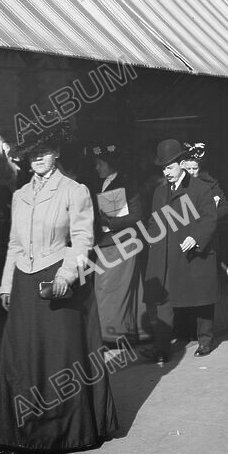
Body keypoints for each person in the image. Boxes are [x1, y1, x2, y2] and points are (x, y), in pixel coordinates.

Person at [0, 120, 117, 454]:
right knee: (20, 358)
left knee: (57, 357)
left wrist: (67, 272)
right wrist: (6, 284)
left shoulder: (74, 190)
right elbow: (14, 244)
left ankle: (63, 431)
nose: (38, 158)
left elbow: (82, 240)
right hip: (23, 282)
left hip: (57, 280)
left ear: (57, 153)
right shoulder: (20, 195)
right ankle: (16, 434)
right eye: (32, 153)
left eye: (44, 152)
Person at [142, 140, 219, 363]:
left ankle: (205, 340)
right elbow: (154, 220)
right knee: (163, 301)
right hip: (165, 255)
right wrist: (151, 238)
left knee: (202, 298)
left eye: (171, 167)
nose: (167, 173)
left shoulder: (200, 188)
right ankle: (162, 348)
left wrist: (195, 237)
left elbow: (209, 218)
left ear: (182, 164)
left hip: (191, 253)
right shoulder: (159, 192)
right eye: (164, 168)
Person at [89, 145, 145, 343]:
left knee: (114, 288)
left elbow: (138, 215)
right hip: (106, 243)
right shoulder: (99, 183)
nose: (97, 168)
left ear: (111, 164)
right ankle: (121, 332)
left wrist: (110, 222)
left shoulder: (127, 183)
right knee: (107, 288)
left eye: (100, 164)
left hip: (122, 242)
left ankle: (115, 335)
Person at [182, 142, 228, 221]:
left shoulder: (210, 184)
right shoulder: (176, 184)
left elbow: (225, 207)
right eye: (188, 169)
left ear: (199, 168)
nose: (191, 172)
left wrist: (208, 217)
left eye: (195, 169)